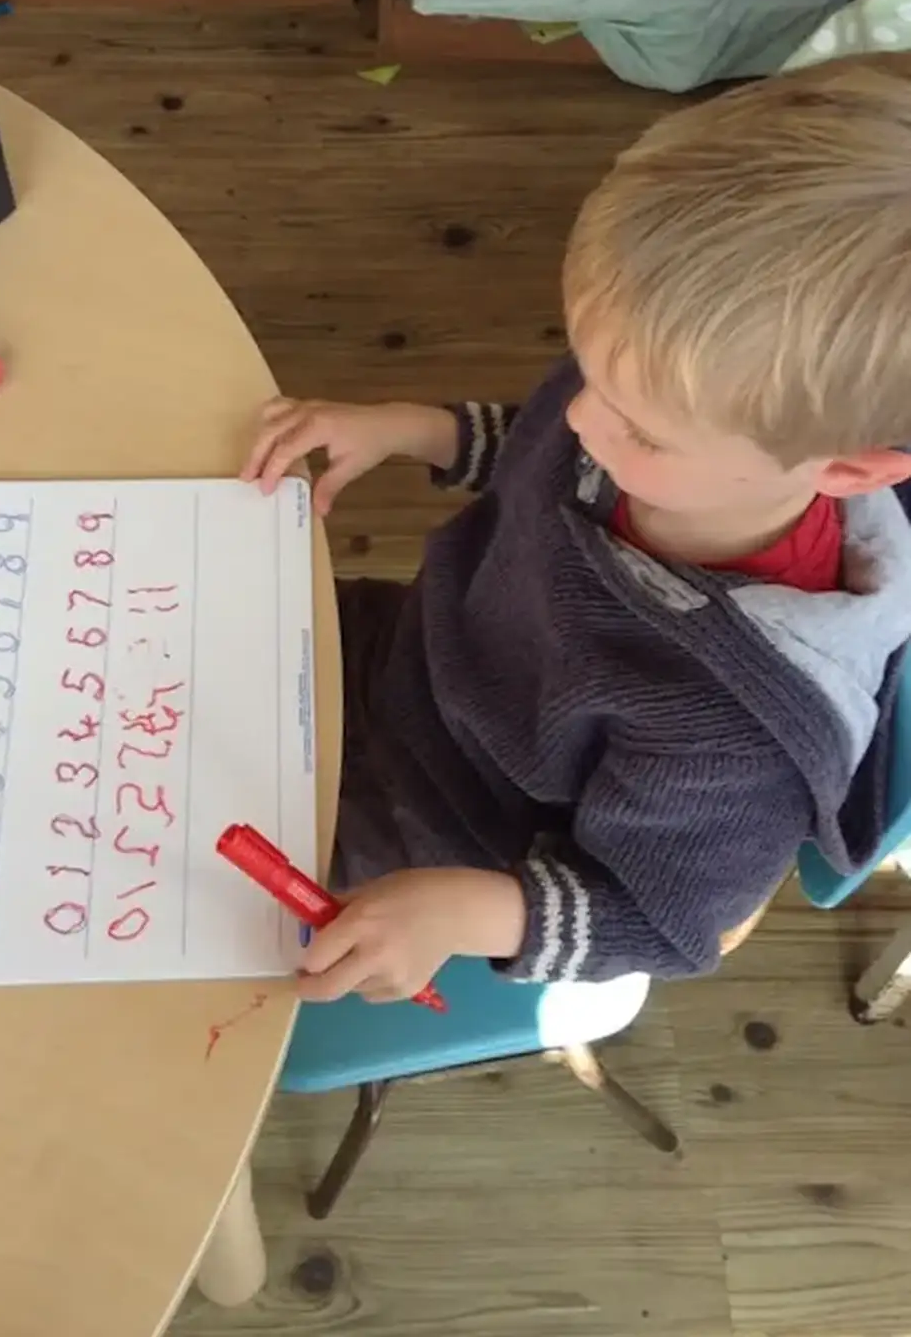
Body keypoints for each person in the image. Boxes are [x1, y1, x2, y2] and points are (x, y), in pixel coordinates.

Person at [242, 54, 911, 1006]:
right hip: (399, 655)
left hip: (441, 826)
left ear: (843, 473)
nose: (585, 421)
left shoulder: (738, 726)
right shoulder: (667, 407)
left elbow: (667, 923)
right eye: (588, 372)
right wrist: (410, 428)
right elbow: (546, 450)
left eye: (639, 428)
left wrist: (457, 913)